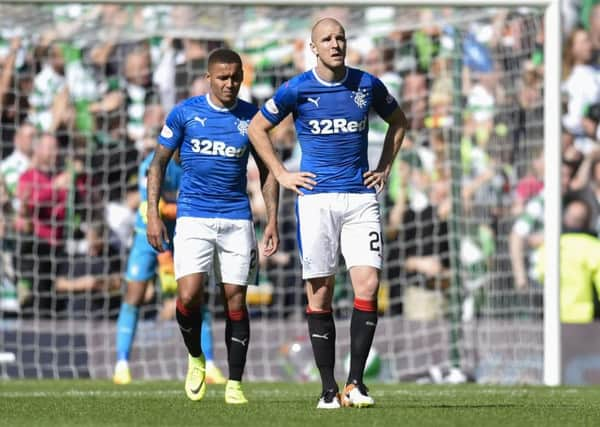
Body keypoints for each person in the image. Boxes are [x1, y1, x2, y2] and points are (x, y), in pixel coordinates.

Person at [248, 17, 408, 409]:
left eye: (341, 38)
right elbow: (256, 128)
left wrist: (385, 166)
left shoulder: (367, 85)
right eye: (327, 39)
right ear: (313, 47)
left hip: (359, 199)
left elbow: (399, 122)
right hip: (316, 201)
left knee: (367, 285)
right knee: (320, 295)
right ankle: (327, 389)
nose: (335, 44)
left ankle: (355, 383)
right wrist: (282, 173)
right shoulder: (297, 88)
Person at [146, 48, 279, 404]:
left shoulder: (252, 119)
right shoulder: (185, 113)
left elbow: (268, 172)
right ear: (209, 78)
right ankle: (195, 357)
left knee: (235, 300)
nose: (230, 83)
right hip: (192, 216)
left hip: (237, 218)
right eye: (222, 77)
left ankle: (234, 383)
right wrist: (153, 214)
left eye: (235, 77)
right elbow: (157, 164)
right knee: (188, 295)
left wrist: (272, 221)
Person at [112, 149, 225, 386]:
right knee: (135, 295)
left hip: (183, 232)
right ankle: (121, 364)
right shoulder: (152, 164)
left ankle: (210, 364)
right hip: (148, 233)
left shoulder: (199, 162)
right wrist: (164, 260)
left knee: (196, 297)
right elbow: (154, 206)